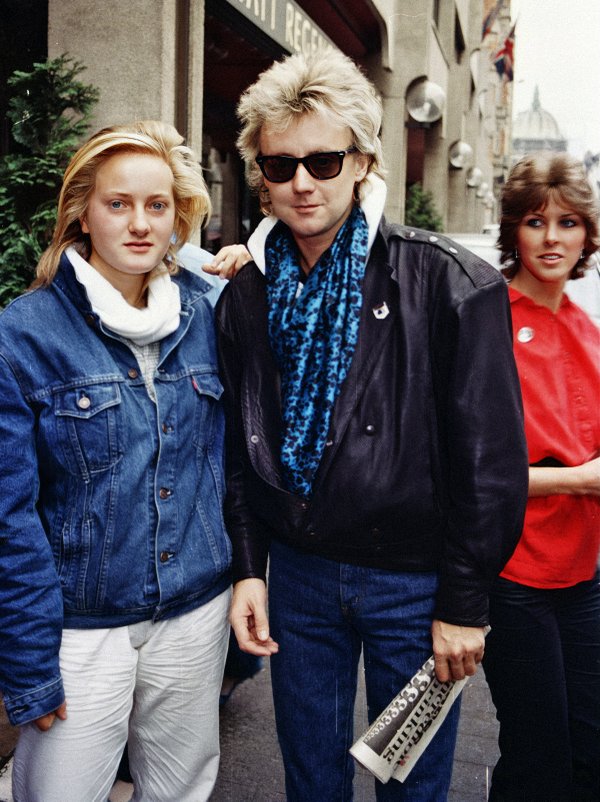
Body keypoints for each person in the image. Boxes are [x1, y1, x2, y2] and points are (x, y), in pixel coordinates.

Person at [215, 49, 529, 801]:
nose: (302, 182)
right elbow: (240, 448)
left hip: (415, 586)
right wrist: (249, 568)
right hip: (300, 577)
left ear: (362, 162)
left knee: (411, 784)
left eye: (323, 161)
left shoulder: (449, 283)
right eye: (281, 164)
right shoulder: (246, 296)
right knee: (311, 781)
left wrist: (463, 606)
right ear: (261, 175)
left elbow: (490, 466)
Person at [0, 120, 232, 802]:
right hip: (80, 626)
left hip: (194, 613)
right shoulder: (23, 334)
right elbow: (9, 517)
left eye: (157, 205)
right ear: (82, 212)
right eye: (118, 203)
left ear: (177, 217)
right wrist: (27, 661)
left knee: (181, 792)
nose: (139, 223)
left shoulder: (209, 315)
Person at [482, 152, 600, 801]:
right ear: (514, 231)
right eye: (535, 222)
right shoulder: (487, 320)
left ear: (587, 235)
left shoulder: (589, 330)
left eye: (567, 223)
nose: (552, 238)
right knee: (537, 756)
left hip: (584, 575)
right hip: (514, 574)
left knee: (590, 751)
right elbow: (470, 472)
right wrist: (580, 480)